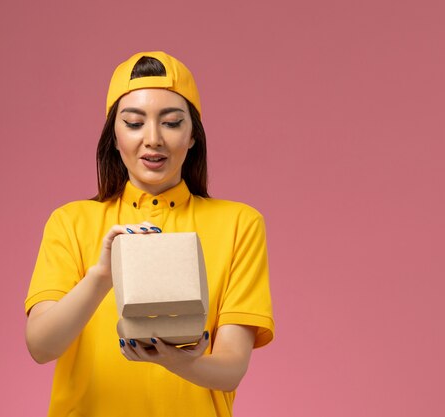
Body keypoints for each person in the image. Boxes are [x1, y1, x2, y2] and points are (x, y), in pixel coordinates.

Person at [25, 51, 275, 417]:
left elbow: (232, 368)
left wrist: (174, 361)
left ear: (192, 136)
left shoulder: (240, 224)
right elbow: (42, 346)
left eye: (172, 123)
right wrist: (102, 276)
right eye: (134, 123)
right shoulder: (70, 222)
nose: (153, 139)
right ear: (114, 135)